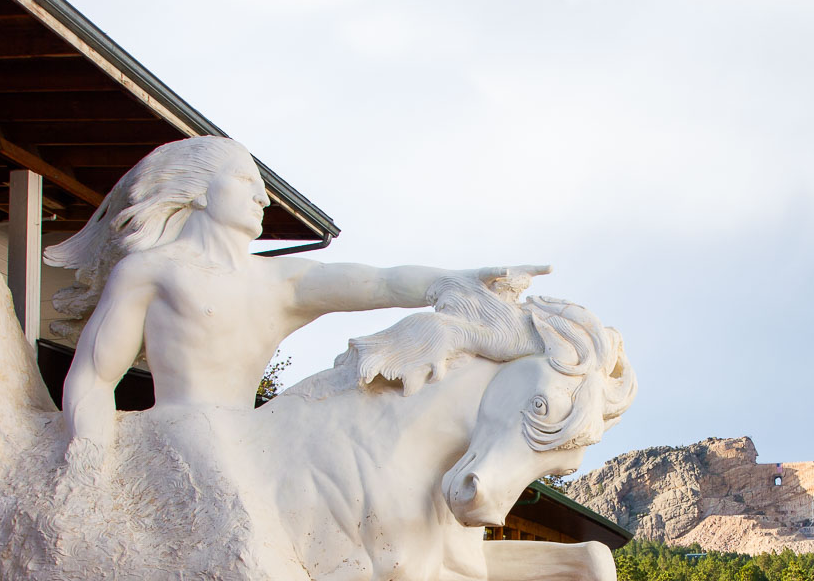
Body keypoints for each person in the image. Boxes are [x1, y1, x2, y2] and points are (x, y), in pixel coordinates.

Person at [45, 135, 549, 451]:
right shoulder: (151, 271)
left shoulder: (279, 282)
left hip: (249, 440)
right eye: (246, 180)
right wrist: (89, 461)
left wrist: (464, 278)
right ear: (198, 189)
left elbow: (381, 281)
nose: (263, 197)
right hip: (178, 442)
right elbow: (92, 378)